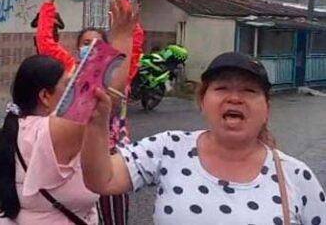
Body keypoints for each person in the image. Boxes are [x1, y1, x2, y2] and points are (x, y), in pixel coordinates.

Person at [81, 51, 326, 225]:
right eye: (221, 88)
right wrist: (96, 124)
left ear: (267, 110)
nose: (235, 98)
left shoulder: (295, 175)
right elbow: (103, 180)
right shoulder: (168, 147)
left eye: (249, 91)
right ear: (202, 101)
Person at [0, 0, 137, 225]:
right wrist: (123, 37)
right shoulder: (42, 133)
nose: (74, 91)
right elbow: (96, 101)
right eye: (68, 85)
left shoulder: (21, 126)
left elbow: (101, 100)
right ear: (45, 96)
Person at [38, 0, 144, 225]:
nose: (91, 47)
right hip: (75, 159)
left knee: (114, 219)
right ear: (77, 47)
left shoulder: (119, 72)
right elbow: (46, 42)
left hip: (111, 157)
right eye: (86, 43)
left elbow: (133, 40)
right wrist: (49, 2)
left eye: (96, 43)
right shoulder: (69, 68)